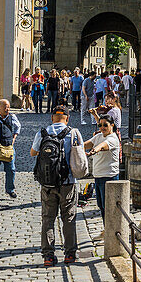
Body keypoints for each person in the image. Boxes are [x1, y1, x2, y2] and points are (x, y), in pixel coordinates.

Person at [31, 105, 83, 266]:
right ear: (67, 118)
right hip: (67, 182)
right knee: (68, 218)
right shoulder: (73, 133)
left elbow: (33, 152)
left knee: (48, 219)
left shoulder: (42, 133)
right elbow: (79, 155)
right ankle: (69, 254)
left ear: (52, 117)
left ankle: (48, 256)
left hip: (47, 183)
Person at [85, 116, 121, 224]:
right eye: (100, 125)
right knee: (101, 206)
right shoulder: (99, 136)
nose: (102, 127)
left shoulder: (113, 139)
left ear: (112, 125)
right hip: (98, 176)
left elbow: (102, 146)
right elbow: (86, 144)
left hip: (109, 176)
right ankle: (106, 230)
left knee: (109, 207)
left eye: (105, 125)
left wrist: (94, 150)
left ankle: (111, 233)